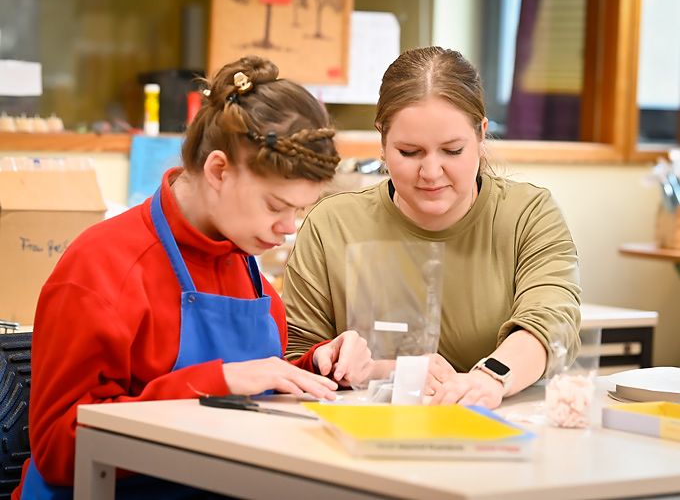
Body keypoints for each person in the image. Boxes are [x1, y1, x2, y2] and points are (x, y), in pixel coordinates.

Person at [14, 56, 372, 500]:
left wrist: (315, 367)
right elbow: (57, 448)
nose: (289, 228)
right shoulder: (101, 268)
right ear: (219, 170)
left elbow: (251, 385)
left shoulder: (241, 256)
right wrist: (215, 382)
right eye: (276, 206)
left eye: (298, 210)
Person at [283, 46, 581, 409]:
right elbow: (297, 356)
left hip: (503, 424)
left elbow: (551, 322)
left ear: (481, 134)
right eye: (409, 152)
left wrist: (490, 378)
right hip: (366, 432)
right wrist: (351, 363)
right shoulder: (333, 225)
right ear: (382, 142)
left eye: (452, 151)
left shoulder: (527, 214)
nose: (431, 172)